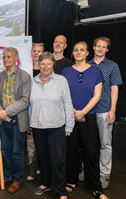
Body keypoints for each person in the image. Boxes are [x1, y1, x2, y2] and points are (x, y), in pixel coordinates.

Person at [62, 42, 108, 199]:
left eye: (82, 50)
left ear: (88, 52)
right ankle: (71, 181)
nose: (78, 52)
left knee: (90, 151)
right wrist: (75, 113)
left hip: (88, 116)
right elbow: (64, 95)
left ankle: (95, 186)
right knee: (71, 151)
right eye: (76, 50)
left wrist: (82, 113)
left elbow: (97, 96)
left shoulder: (96, 72)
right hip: (70, 116)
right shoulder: (66, 72)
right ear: (73, 53)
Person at [79, 37, 123, 189]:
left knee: (105, 144)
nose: (100, 49)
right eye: (98, 46)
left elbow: (114, 88)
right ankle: (86, 170)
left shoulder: (112, 66)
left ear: (107, 50)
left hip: (105, 110)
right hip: (88, 110)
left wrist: (113, 110)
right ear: (93, 47)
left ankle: (104, 175)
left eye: (104, 47)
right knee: (87, 143)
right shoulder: (85, 65)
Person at [30, 52, 74, 199]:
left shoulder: (61, 80)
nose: (45, 66)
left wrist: (69, 126)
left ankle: (61, 191)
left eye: (48, 63)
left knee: (58, 160)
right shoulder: (33, 81)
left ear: (53, 65)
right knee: (43, 158)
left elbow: (68, 103)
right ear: (39, 65)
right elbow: (30, 105)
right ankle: (45, 183)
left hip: (56, 126)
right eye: (42, 63)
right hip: (37, 126)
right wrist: (30, 122)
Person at [0, 47, 31, 194]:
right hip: (2, 120)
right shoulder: (0, 76)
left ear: (16, 58)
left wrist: (6, 112)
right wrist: (0, 113)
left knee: (17, 152)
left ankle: (17, 179)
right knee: (5, 150)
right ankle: (6, 176)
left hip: (18, 119)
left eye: (8, 57)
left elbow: (25, 100)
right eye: (3, 57)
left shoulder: (25, 76)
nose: (5, 59)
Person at [26, 43, 44, 181]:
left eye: (39, 51)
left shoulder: (47, 70)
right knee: (30, 138)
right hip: (29, 109)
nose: (36, 53)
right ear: (31, 54)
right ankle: (32, 165)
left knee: (42, 140)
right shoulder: (26, 71)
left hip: (44, 109)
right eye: (34, 51)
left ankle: (42, 165)